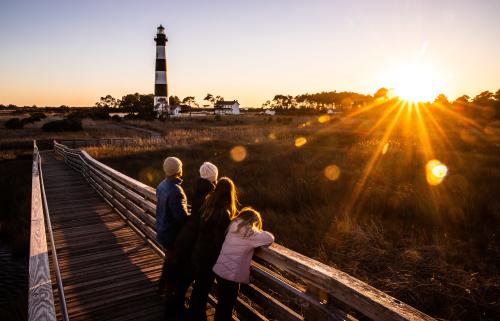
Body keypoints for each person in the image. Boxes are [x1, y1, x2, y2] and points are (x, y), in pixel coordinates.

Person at [168, 162, 219, 316]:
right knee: (198, 279)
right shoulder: (211, 194)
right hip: (197, 241)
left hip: (187, 236)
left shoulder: (197, 188)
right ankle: (192, 311)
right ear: (214, 177)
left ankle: (177, 304)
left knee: (185, 276)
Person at [188, 177, 238, 321]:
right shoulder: (224, 213)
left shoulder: (207, 204)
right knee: (211, 290)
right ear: (230, 193)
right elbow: (218, 240)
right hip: (211, 257)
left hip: (200, 253)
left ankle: (194, 314)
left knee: (200, 288)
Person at [212, 208, 274, 321]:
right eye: (255, 223)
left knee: (222, 304)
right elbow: (269, 238)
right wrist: (257, 230)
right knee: (227, 307)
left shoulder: (232, 225)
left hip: (220, 272)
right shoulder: (249, 233)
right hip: (231, 276)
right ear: (252, 221)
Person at [156, 156, 189, 312]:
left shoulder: (162, 185)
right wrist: (193, 216)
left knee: (169, 259)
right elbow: (180, 217)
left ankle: (161, 287)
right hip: (171, 234)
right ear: (178, 170)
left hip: (162, 229)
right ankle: (169, 297)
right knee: (173, 264)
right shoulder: (176, 191)